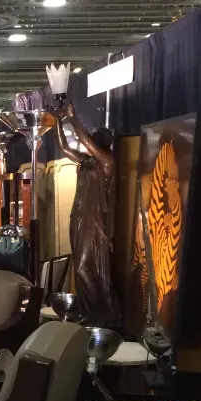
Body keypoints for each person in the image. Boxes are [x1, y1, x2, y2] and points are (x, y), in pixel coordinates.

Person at [54, 104, 120, 327]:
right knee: (79, 266)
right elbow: (63, 148)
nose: (91, 139)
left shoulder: (107, 163)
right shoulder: (88, 162)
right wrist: (57, 122)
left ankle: (101, 314)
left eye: (95, 137)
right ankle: (89, 310)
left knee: (84, 267)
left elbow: (85, 143)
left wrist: (72, 118)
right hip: (79, 218)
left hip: (94, 223)